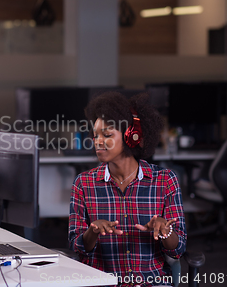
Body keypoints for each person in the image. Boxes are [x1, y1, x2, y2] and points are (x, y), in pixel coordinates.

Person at [69, 92, 186, 287]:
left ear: (132, 136)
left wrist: (165, 231)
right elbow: (78, 247)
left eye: (107, 135)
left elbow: (178, 250)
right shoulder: (84, 183)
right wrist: (93, 231)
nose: (97, 141)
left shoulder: (165, 181)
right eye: (95, 135)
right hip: (102, 282)